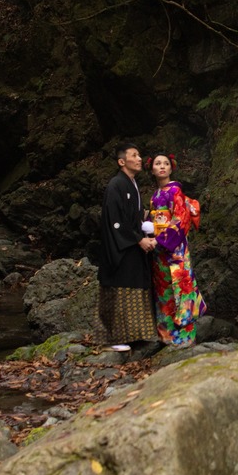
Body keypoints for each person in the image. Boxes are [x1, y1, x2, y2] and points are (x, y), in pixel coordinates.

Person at [97, 142, 157, 352]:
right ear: (122, 161)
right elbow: (115, 220)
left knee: (135, 284)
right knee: (121, 286)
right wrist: (138, 239)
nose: (139, 159)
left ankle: (136, 335)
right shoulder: (116, 184)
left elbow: (132, 217)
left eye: (140, 155)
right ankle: (115, 337)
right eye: (134, 155)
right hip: (120, 245)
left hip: (131, 242)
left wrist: (145, 228)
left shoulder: (131, 184)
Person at [148, 152, 207, 346]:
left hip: (175, 250)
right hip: (160, 252)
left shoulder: (175, 192)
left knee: (181, 288)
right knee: (164, 291)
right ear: (152, 169)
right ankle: (166, 334)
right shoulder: (154, 196)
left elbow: (180, 219)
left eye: (166, 163)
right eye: (158, 163)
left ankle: (185, 337)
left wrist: (160, 239)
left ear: (171, 168)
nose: (162, 166)